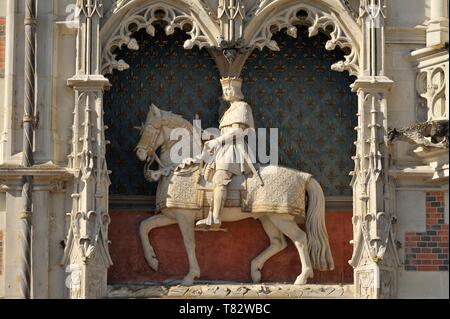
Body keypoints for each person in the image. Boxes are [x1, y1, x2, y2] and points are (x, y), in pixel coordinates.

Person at [196, 77, 256, 227]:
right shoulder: (229, 110)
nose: (227, 92)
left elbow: (237, 131)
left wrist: (217, 141)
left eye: (229, 89)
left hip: (235, 150)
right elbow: (225, 133)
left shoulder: (242, 107)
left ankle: (215, 217)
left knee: (219, 177)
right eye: (225, 90)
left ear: (237, 90)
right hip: (224, 149)